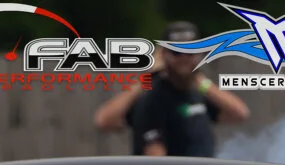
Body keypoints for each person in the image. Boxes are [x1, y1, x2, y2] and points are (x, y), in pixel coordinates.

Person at [93, 21, 250, 157]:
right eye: (177, 52)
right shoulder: (152, 98)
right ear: (163, 54)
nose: (184, 58)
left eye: (190, 51)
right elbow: (104, 121)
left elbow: (239, 113)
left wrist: (198, 79)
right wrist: (148, 76)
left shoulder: (199, 92)